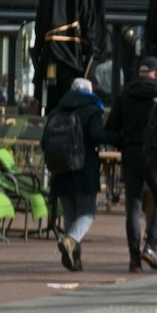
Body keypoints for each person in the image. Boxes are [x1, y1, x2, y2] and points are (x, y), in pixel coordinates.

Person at [106, 55, 157, 274]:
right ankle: (150, 245)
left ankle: (134, 260)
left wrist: (123, 141)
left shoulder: (125, 94)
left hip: (130, 154)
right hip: (154, 155)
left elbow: (111, 128)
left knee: (132, 204)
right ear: (155, 72)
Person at [44, 76, 108, 272]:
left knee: (70, 215)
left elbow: (44, 141)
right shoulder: (93, 109)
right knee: (87, 213)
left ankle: (75, 259)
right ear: (89, 91)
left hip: (59, 169)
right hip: (84, 169)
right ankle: (71, 241)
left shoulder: (57, 110)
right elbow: (97, 135)